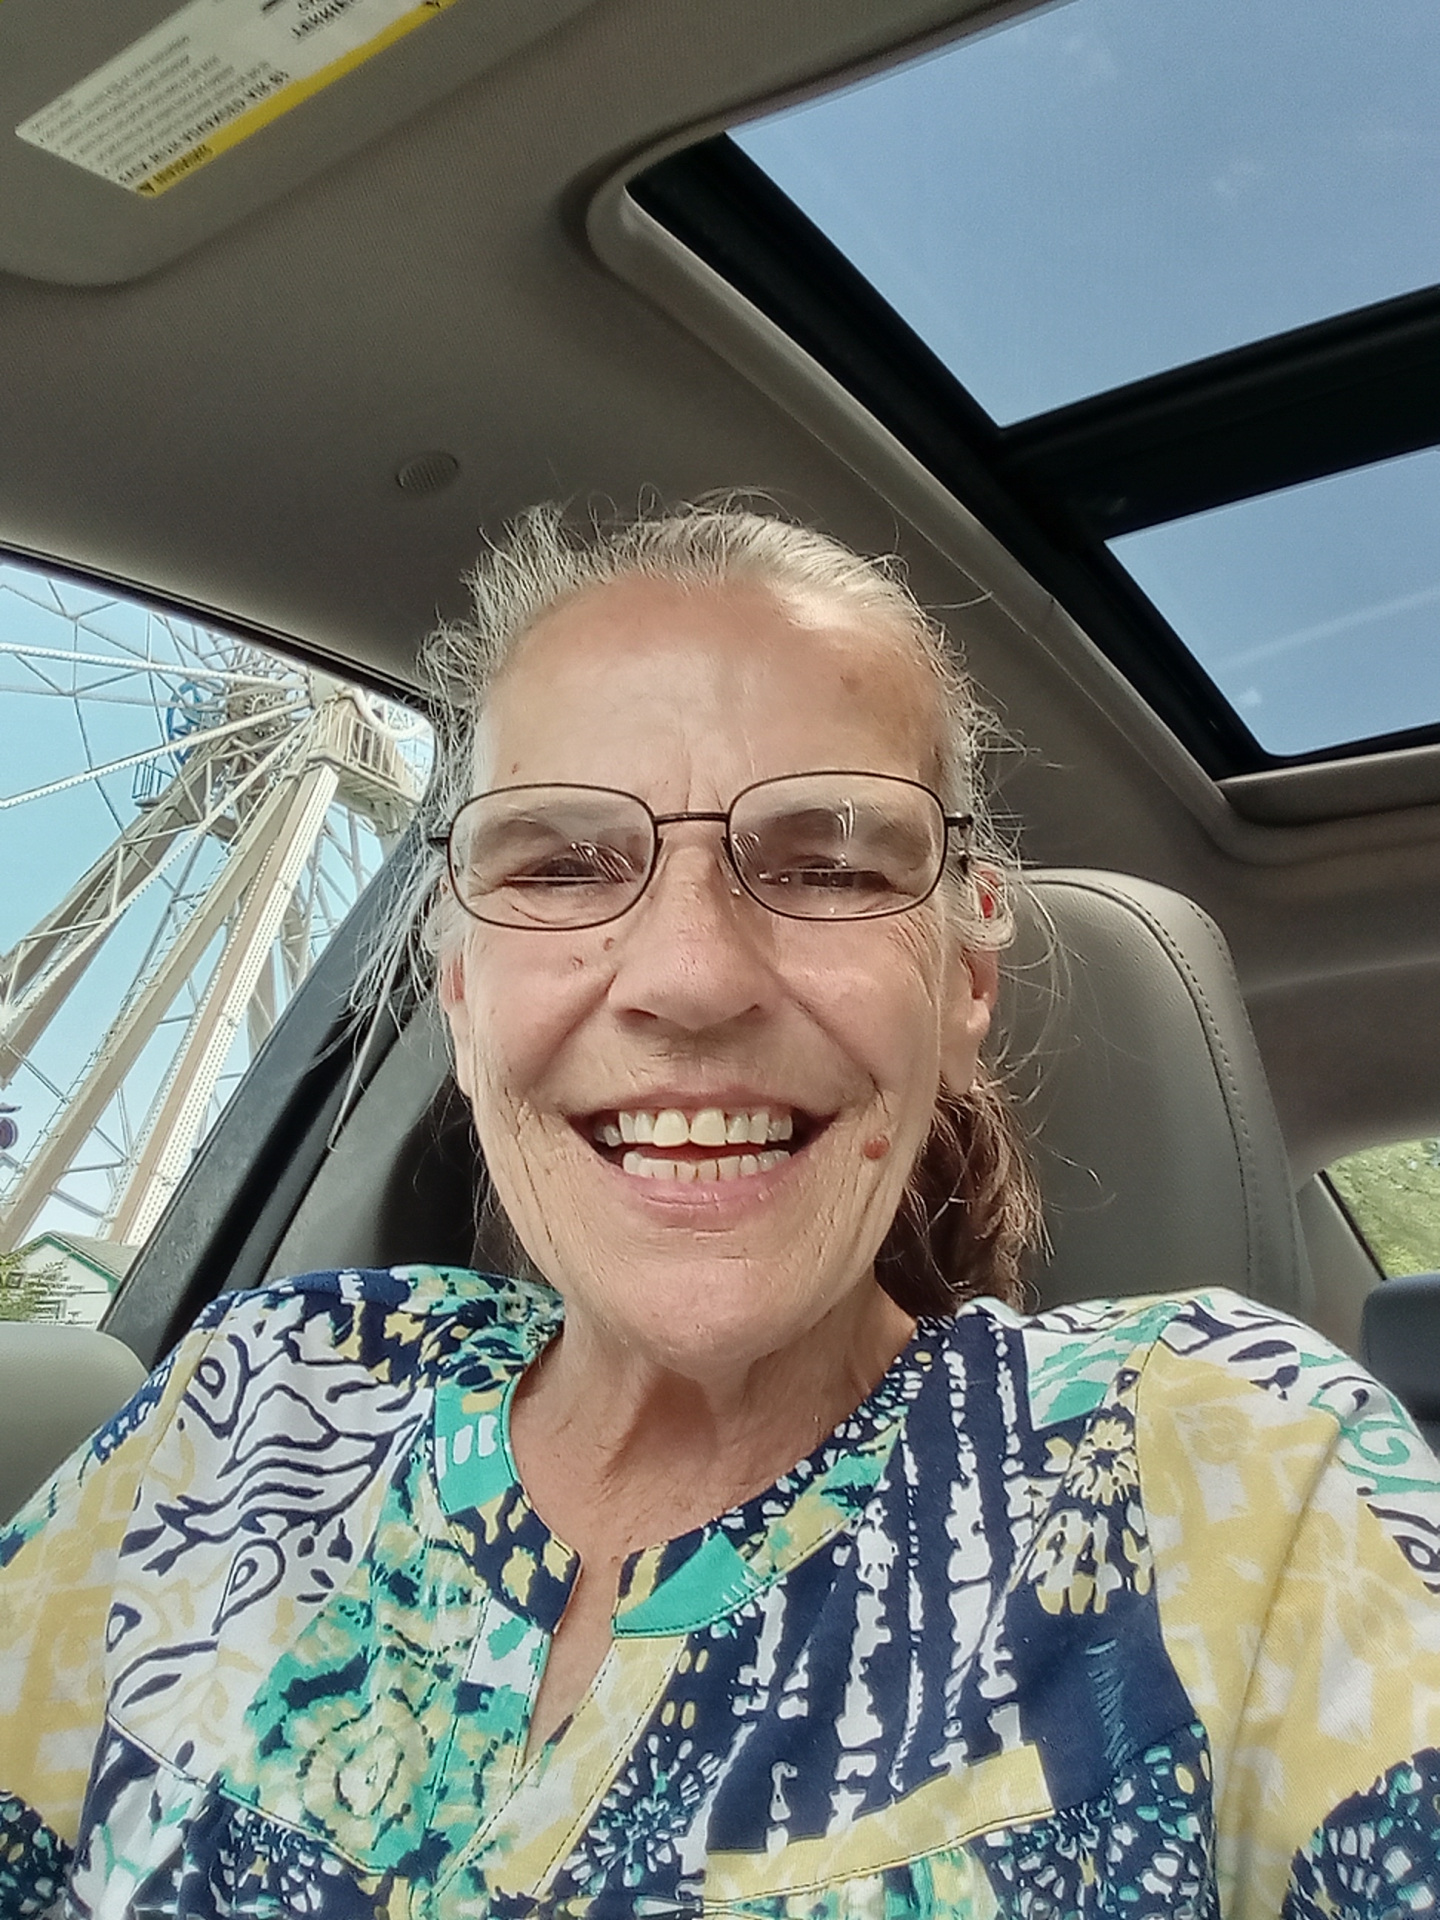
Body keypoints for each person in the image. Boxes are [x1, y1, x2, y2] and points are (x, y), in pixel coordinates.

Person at [2, 503, 1438, 1920]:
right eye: (561, 866)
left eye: (828, 865)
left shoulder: (1227, 1473)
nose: (689, 979)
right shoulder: (259, 1394)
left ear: (963, 988)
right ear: (462, 994)